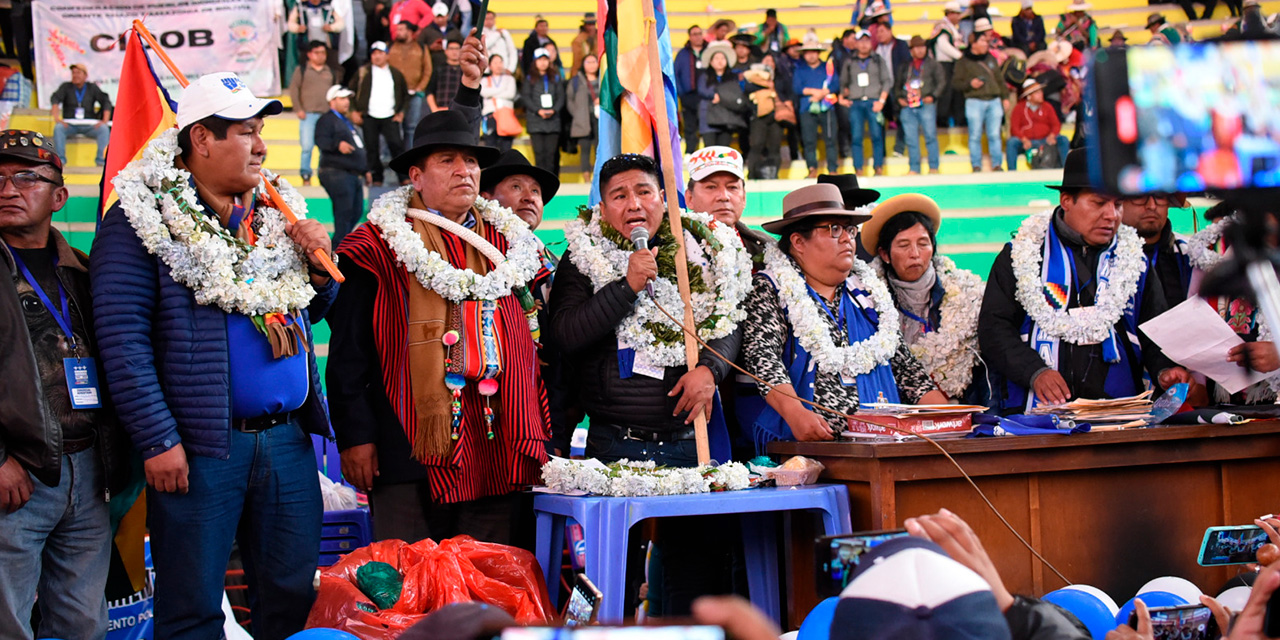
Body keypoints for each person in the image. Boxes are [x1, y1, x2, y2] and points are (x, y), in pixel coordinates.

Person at [91, 72, 338, 640]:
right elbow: (121, 340)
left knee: (292, 596)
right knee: (192, 605)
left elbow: (317, 308)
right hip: (199, 448)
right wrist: (157, 439)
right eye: (245, 132)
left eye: (260, 132)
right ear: (200, 139)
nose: (261, 146)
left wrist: (317, 259)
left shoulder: (273, 214)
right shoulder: (138, 222)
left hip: (287, 441)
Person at [326, 110, 548, 546]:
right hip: (407, 443)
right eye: (448, 160)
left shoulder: (511, 243)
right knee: (412, 582)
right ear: (416, 176)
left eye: (471, 161)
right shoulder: (375, 245)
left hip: (496, 442)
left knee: (488, 581)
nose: (464, 171)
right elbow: (348, 349)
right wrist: (356, 437)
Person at [550, 154, 749, 615]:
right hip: (614, 443)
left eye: (643, 191)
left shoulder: (702, 249)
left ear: (664, 198)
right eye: (619, 195)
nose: (634, 204)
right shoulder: (583, 256)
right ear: (602, 209)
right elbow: (565, 334)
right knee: (610, 579)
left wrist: (711, 371)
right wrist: (625, 285)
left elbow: (730, 319)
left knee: (691, 575)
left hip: (686, 442)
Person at [0, 130, 130, 640]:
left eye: (26, 177)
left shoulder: (85, 270)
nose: (8, 189)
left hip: (89, 468)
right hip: (19, 473)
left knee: (83, 621)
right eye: (0, 179)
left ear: (58, 197)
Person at [978, 149, 1193, 413]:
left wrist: (1164, 370)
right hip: (1037, 413)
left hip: (1121, 413)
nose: (1112, 215)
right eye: (1099, 203)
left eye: (1117, 204)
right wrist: (1034, 371)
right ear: (1067, 200)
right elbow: (994, 327)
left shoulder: (1135, 259)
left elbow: (1155, 328)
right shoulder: (1022, 254)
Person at [738, 184, 947, 446]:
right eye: (834, 229)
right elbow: (763, 359)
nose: (849, 239)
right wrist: (796, 414)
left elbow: (907, 370)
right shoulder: (772, 287)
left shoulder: (868, 290)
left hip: (884, 444)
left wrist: (956, 419)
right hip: (808, 448)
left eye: (849, 229)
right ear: (798, 241)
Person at [476, 149, 566, 452]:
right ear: (486, 197)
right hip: (494, 397)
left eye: (536, 191)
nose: (529, 197)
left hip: (550, 397)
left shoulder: (554, 261)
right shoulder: (476, 254)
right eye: (516, 187)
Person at [861, 194, 987, 403]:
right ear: (885, 254)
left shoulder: (967, 295)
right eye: (903, 245)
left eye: (923, 243)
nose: (915, 254)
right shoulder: (866, 299)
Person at [316, 85, 366, 248]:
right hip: (336, 172)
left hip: (353, 173)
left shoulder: (345, 121)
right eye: (342, 98)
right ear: (332, 101)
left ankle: (339, 247)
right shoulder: (326, 119)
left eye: (347, 99)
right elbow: (321, 140)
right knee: (344, 214)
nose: (346, 102)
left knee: (355, 212)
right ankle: (337, 252)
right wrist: (338, 144)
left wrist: (365, 169)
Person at [1121, 194, 1191, 310]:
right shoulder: (1102, 257)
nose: (1152, 206)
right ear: (1118, 203)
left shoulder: (1190, 255)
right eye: (1140, 196)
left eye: (1159, 196)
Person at [354, 41, 409, 186]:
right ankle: (377, 177)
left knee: (396, 145)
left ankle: (403, 177)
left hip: (390, 115)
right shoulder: (363, 72)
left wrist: (401, 112)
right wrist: (354, 112)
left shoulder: (396, 74)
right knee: (371, 148)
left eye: (380, 53)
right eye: (374, 53)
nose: (377, 56)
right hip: (369, 115)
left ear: (387, 55)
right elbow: (351, 91)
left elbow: (405, 95)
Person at [291, 41, 343, 187]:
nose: (320, 56)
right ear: (309, 54)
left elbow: (335, 93)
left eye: (323, 53)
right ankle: (306, 175)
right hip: (308, 114)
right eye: (317, 52)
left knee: (325, 147)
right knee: (307, 146)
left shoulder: (331, 71)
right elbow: (294, 90)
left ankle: (323, 175)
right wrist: (298, 109)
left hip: (326, 115)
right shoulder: (302, 70)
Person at [953, 33, 1007, 172]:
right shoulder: (963, 62)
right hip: (974, 101)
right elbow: (956, 83)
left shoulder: (990, 58)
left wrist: (1004, 97)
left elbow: (1000, 80)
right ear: (973, 43)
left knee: (994, 134)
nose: (985, 44)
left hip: (994, 100)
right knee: (975, 135)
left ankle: (997, 164)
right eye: (982, 41)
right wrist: (970, 84)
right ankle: (976, 165)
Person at [840, 30, 889, 178]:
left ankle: (878, 167)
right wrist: (842, 97)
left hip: (874, 102)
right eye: (861, 41)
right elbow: (843, 83)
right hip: (855, 103)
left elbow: (886, 81)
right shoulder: (849, 61)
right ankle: (858, 169)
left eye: (867, 41)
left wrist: (881, 101)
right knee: (856, 137)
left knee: (877, 135)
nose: (864, 44)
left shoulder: (878, 60)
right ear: (856, 43)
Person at [895, 36, 945, 175]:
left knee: (930, 136)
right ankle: (914, 168)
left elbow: (941, 82)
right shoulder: (905, 66)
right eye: (917, 47)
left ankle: (934, 166)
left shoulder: (933, 64)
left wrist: (933, 96)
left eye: (923, 47)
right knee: (911, 138)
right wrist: (900, 98)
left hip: (926, 103)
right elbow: (898, 84)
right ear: (911, 50)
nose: (920, 50)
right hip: (908, 105)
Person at [794, 37, 840, 179]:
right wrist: (814, 92)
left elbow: (835, 85)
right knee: (809, 140)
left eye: (814, 51)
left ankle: (832, 169)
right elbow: (796, 88)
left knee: (831, 138)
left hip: (826, 107)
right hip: (807, 108)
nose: (811, 55)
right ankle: (812, 169)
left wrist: (822, 94)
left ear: (818, 53)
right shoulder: (799, 70)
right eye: (807, 52)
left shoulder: (828, 67)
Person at [49, 64, 111, 167]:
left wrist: (105, 120)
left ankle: (101, 161)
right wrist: (57, 118)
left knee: (104, 129)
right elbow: (55, 99)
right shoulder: (66, 87)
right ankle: (61, 161)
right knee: (58, 128)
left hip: (89, 125)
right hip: (70, 125)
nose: (75, 75)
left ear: (85, 75)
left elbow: (105, 101)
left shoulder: (92, 88)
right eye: (73, 73)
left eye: (78, 73)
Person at [1006, 79, 1068, 171]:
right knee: (1011, 142)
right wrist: (1023, 139)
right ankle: (1011, 172)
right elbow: (1014, 128)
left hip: (1045, 140)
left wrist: (1052, 135)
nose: (1041, 94)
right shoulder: (1019, 108)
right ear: (1029, 96)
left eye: (1041, 92)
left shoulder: (1047, 106)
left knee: (1063, 140)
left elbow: (1056, 124)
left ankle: (1066, 170)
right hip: (1027, 141)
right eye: (1037, 93)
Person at [871, 19, 911, 159]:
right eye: (877, 32)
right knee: (880, 120)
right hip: (881, 90)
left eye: (882, 31)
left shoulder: (900, 45)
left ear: (890, 31)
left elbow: (906, 67)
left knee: (902, 118)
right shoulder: (875, 49)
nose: (879, 35)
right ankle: (881, 153)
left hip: (896, 87)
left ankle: (899, 148)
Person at [522, 48, 565, 177]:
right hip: (536, 120)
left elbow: (561, 97)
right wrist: (538, 110)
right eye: (540, 60)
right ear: (535, 62)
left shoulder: (555, 78)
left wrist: (554, 110)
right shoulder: (529, 79)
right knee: (539, 153)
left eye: (545, 60)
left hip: (553, 120)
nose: (543, 63)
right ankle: (541, 181)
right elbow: (526, 97)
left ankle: (551, 179)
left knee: (551, 154)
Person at [388, 21, 433, 145]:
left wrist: (420, 87)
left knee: (411, 127)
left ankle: (409, 155)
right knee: (392, 127)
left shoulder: (421, 47)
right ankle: (390, 156)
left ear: (410, 32)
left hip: (414, 93)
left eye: (401, 29)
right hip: (393, 94)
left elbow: (427, 70)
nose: (398, 32)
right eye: (397, 30)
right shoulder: (391, 46)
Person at [699, 41, 748, 150]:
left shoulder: (733, 77)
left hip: (727, 118)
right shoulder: (705, 76)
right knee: (710, 151)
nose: (720, 61)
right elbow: (701, 90)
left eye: (722, 58)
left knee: (723, 151)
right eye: (716, 58)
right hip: (709, 119)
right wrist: (713, 95)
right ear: (711, 61)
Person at [744, 60, 784, 180]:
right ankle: (751, 175)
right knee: (757, 145)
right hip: (758, 118)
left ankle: (774, 174)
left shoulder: (779, 80)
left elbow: (787, 94)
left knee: (775, 148)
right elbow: (747, 91)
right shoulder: (753, 81)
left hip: (775, 117)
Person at [932, 2, 967, 128]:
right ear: (950, 14)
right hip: (944, 64)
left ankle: (957, 118)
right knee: (945, 92)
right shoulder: (943, 27)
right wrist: (960, 56)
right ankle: (942, 119)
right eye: (957, 14)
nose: (958, 17)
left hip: (952, 64)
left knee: (955, 92)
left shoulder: (951, 27)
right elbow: (943, 45)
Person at [567, 54, 600, 180]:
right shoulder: (576, 81)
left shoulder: (603, 79)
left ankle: (599, 177)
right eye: (588, 62)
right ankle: (586, 177)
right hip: (583, 120)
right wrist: (577, 114)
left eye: (594, 61)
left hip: (600, 119)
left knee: (599, 148)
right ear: (583, 65)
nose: (591, 65)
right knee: (585, 149)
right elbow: (569, 100)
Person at [675, 25, 708, 155]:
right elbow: (676, 73)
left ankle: (706, 153)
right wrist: (682, 93)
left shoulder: (709, 51)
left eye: (700, 33)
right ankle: (690, 152)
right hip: (689, 95)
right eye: (694, 34)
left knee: (706, 125)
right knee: (690, 126)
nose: (698, 36)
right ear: (689, 36)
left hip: (706, 96)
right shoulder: (683, 53)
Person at [479, 54, 518, 153]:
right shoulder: (484, 80)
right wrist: (502, 90)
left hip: (505, 116)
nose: (498, 65)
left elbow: (510, 94)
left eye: (500, 62)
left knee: (506, 149)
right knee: (491, 148)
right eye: (495, 62)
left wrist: (492, 93)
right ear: (490, 65)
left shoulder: (510, 79)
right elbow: (484, 93)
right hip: (490, 116)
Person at [288, 0, 344, 68]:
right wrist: (298, 28)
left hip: (326, 44)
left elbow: (341, 23)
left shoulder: (328, 7)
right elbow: (291, 24)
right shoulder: (301, 7)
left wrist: (331, 27)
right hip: (307, 44)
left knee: (331, 67)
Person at [427, 37, 465, 114]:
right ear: (446, 51)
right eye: (451, 49)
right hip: (441, 110)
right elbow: (429, 91)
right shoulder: (439, 69)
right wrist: (434, 110)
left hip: (461, 113)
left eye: (457, 49)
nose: (454, 52)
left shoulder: (466, 71)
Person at [570, 13, 598, 77]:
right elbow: (577, 62)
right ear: (585, 25)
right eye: (589, 24)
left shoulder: (600, 38)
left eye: (593, 24)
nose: (591, 27)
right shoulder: (578, 40)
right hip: (582, 72)